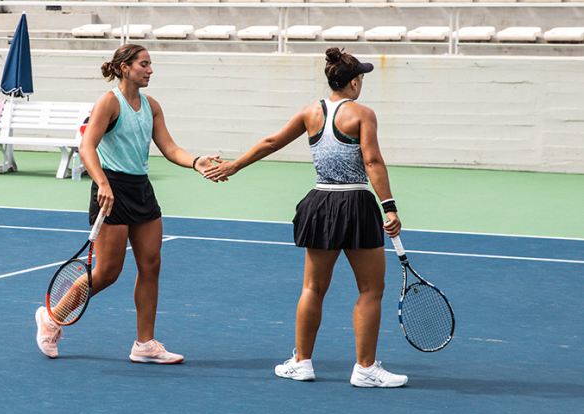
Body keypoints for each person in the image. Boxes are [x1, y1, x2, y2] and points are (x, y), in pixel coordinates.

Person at [204, 47, 408, 387]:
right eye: (362, 77)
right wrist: (389, 206)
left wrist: (233, 165)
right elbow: (372, 162)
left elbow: (271, 142)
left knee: (313, 287)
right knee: (371, 289)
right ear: (355, 82)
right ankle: (365, 369)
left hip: (321, 206)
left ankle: (302, 362)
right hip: (356, 205)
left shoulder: (309, 112)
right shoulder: (363, 114)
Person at [35, 44, 218, 363]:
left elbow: (169, 147)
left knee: (151, 265)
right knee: (106, 272)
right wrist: (103, 183)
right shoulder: (109, 102)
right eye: (143, 64)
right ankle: (51, 319)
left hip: (141, 190)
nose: (149, 70)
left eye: (150, 65)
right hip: (112, 189)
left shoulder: (152, 106)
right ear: (124, 68)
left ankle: (144, 345)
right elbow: (87, 147)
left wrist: (196, 161)